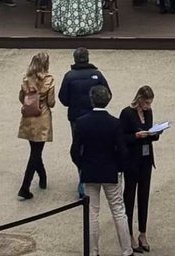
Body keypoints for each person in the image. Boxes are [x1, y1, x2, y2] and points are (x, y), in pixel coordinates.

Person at [70, 84, 133, 256]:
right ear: (108, 100)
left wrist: (82, 165)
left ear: (91, 100)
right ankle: (127, 250)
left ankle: (93, 251)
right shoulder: (114, 123)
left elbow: (74, 151)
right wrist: (119, 168)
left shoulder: (82, 122)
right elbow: (122, 151)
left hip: (90, 171)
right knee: (119, 211)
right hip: (110, 171)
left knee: (92, 213)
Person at [59, 47, 111, 198]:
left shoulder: (69, 76)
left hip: (77, 118)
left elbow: (63, 98)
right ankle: (97, 175)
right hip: (96, 116)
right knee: (97, 145)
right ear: (88, 58)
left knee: (79, 147)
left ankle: (83, 180)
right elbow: (108, 93)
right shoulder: (97, 74)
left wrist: (74, 104)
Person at [120, 85, 160, 253]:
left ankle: (142, 232)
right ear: (139, 99)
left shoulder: (149, 113)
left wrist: (154, 133)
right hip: (132, 160)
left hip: (145, 159)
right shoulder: (127, 113)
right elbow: (121, 137)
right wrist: (135, 136)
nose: (148, 106)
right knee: (129, 197)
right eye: (146, 103)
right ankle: (128, 233)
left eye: (150, 103)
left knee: (144, 196)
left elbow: (152, 132)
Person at [18, 51, 56, 199]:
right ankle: (25, 186)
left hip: (28, 116)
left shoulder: (26, 79)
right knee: (36, 152)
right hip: (42, 117)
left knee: (34, 149)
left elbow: (21, 98)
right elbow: (51, 102)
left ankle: (43, 177)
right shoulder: (49, 80)